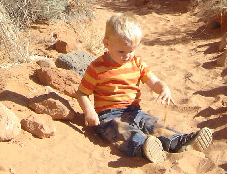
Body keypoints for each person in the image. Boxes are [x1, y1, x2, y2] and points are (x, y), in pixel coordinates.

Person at [76, 13, 212, 164]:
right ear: (106, 43)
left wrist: (164, 88)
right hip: (108, 116)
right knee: (123, 131)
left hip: (134, 111)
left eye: (131, 51)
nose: (127, 56)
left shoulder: (137, 63)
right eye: (121, 52)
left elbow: (153, 82)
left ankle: (180, 141)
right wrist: (89, 111)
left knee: (152, 124)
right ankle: (145, 147)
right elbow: (82, 92)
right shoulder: (96, 67)